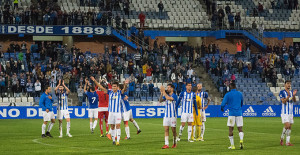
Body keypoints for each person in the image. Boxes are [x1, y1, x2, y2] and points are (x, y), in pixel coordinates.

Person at [92, 77, 128, 146]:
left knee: (118, 126)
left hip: (117, 113)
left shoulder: (119, 93)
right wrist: (94, 81)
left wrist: (125, 84)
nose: (114, 88)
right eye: (113, 86)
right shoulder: (109, 92)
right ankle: (113, 140)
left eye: (115, 86)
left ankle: (118, 141)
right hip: (111, 113)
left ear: (117, 87)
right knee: (112, 126)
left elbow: (124, 90)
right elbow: (101, 87)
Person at [221, 82, 244, 150]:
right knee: (240, 128)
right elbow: (241, 103)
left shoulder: (228, 94)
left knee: (231, 129)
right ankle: (241, 140)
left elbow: (223, 104)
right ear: (235, 87)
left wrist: (222, 108)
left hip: (231, 114)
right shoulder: (240, 94)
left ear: (230, 87)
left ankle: (232, 145)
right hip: (239, 113)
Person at [279, 80, 297, 146]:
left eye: (290, 84)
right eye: (288, 83)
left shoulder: (292, 92)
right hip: (284, 113)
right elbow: (283, 101)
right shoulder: (282, 92)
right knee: (287, 126)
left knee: (289, 127)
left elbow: (294, 101)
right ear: (285, 84)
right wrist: (287, 97)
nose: (289, 85)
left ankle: (287, 142)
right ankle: (282, 137)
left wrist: (294, 95)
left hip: (291, 113)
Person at [160, 84, 177, 149]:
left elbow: (167, 98)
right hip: (166, 116)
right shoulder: (166, 95)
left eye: (169, 87)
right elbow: (160, 100)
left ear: (172, 89)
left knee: (173, 131)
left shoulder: (174, 96)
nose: (168, 88)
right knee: (166, 129)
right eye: (167, 87)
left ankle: (175, 142)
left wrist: (163, 91)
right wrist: (161, 93)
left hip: (172, 116)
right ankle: (166, 144)